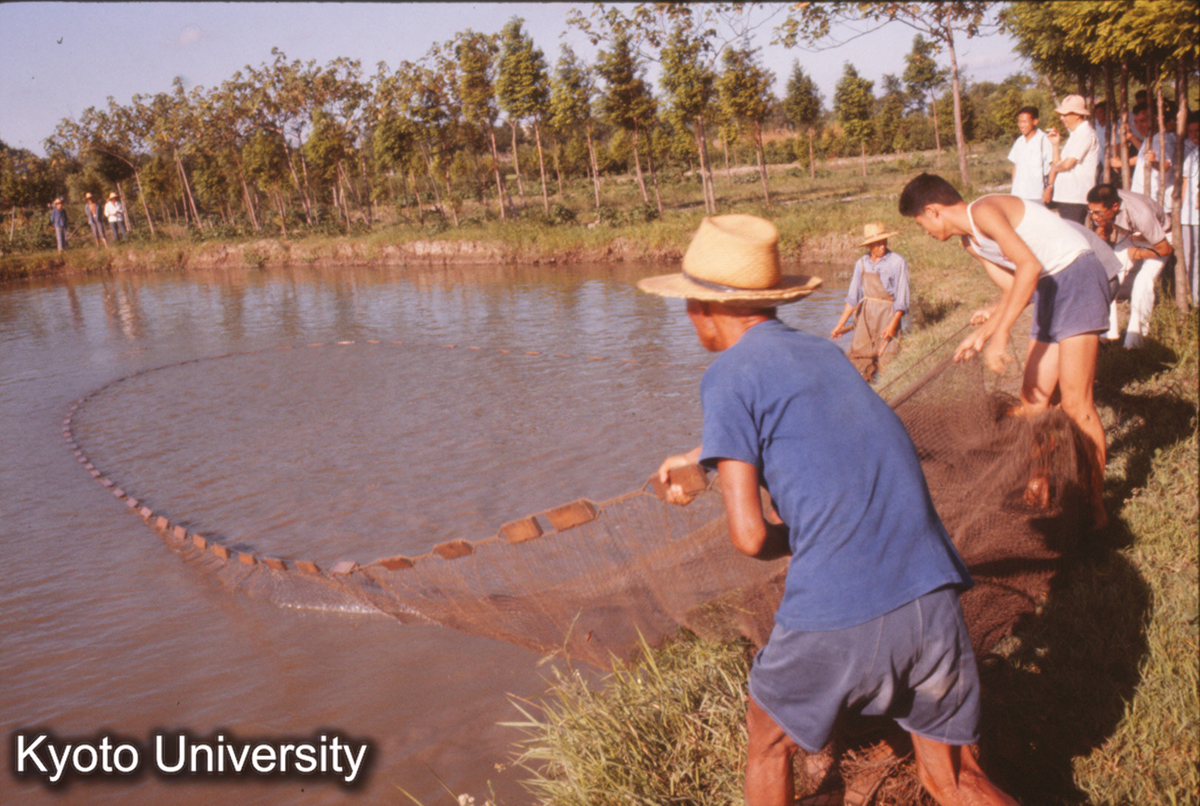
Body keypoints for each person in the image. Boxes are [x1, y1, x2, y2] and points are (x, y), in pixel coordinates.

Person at [642, 214, 1018, 806]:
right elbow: (815, 433)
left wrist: (803, 537)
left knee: (768, 744)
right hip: (934, 592)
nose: (688, 318)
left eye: (689, 305)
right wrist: (704, 457)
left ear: (706, 307)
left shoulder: (725, 377)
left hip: (841, 609)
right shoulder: (823, 352)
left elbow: (748, 537)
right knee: (952, 780)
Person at [899, 173, 1112, 528]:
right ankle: (1039, 483)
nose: (925, 232)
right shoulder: (971, 244)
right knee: (1032, 400)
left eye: (921, 224)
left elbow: (1029, 266)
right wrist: (983, 333)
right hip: (1048, 289)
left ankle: (1095, 505)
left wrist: (1000, 336)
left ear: (933, 211)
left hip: (1077, 276)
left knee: (1077, 403)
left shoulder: (984, 211)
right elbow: (1016, 289)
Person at [1086, 184, 1173, 348]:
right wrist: (1102, 230)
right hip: (1135, 237)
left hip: (1161, 240)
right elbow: (1104, 228)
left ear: (1115, 206)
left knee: (1142, 282)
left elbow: (1165, 248)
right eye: (1091, 211)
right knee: (1109, 275)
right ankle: (1106, 335)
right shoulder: (1106, 203)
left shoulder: (1140, 214)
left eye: (1098, 213)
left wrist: (1138, 254)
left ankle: (1135, 343)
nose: (1094, 216)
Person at [829, 222, 910, 382]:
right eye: (877, 243)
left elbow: (902, 298)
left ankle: (888, 391)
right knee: (860, 361)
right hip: (866, 316)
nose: (882, 246)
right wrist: (840, 325)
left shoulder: (897, 262)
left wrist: (892, 325)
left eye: (884, 242)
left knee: (888, 359)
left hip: (888, 314)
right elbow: (853, 298)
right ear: (869, 245)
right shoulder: (861, 264)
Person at [1044, 95, 1098, 224]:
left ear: (1077, 115)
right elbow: (1060, 163)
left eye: (1065, 114)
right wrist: (1055, 144)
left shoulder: (1085, 134)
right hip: (1067, 196)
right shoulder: (1075, 135)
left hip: (1075, 197)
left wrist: (1055, 169)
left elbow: (1067, 164)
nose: (1062, 118)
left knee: (1074, 236)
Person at [1007, 106, 1053, 204]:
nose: (1021, 125)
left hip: (1036, 194)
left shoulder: (1044, 140)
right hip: (1018, 194)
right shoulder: (1019, 141)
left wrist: (1049, 189)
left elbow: (1053, 166)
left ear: (1035, 121)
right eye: (1019, 122)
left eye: (1024, 122)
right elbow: (1016, 167)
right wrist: (1013, 189)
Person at [1182, 113, 1199, 307]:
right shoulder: (1191, 154)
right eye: (1191, 131)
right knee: (1189, 259)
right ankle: (1193, 300)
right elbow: (1185, 182)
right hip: (1188, 216)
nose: (1195, 135)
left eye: (1198, 131)